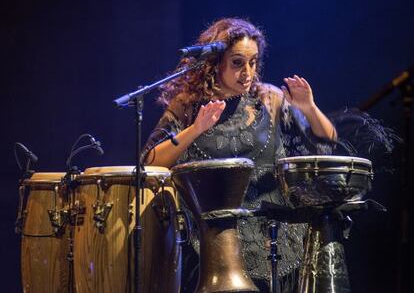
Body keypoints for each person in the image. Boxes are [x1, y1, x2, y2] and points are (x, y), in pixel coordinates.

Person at [143, 18, 337, 292]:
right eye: (237, 63)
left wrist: (309, 108)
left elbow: (325, 142)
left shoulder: (268, 99)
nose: (248, 72)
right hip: (211, 243)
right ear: (215, 62)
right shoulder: (188, 106)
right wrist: (196, 128)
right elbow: (149, 162)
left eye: (253, 62)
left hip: (272, 240)